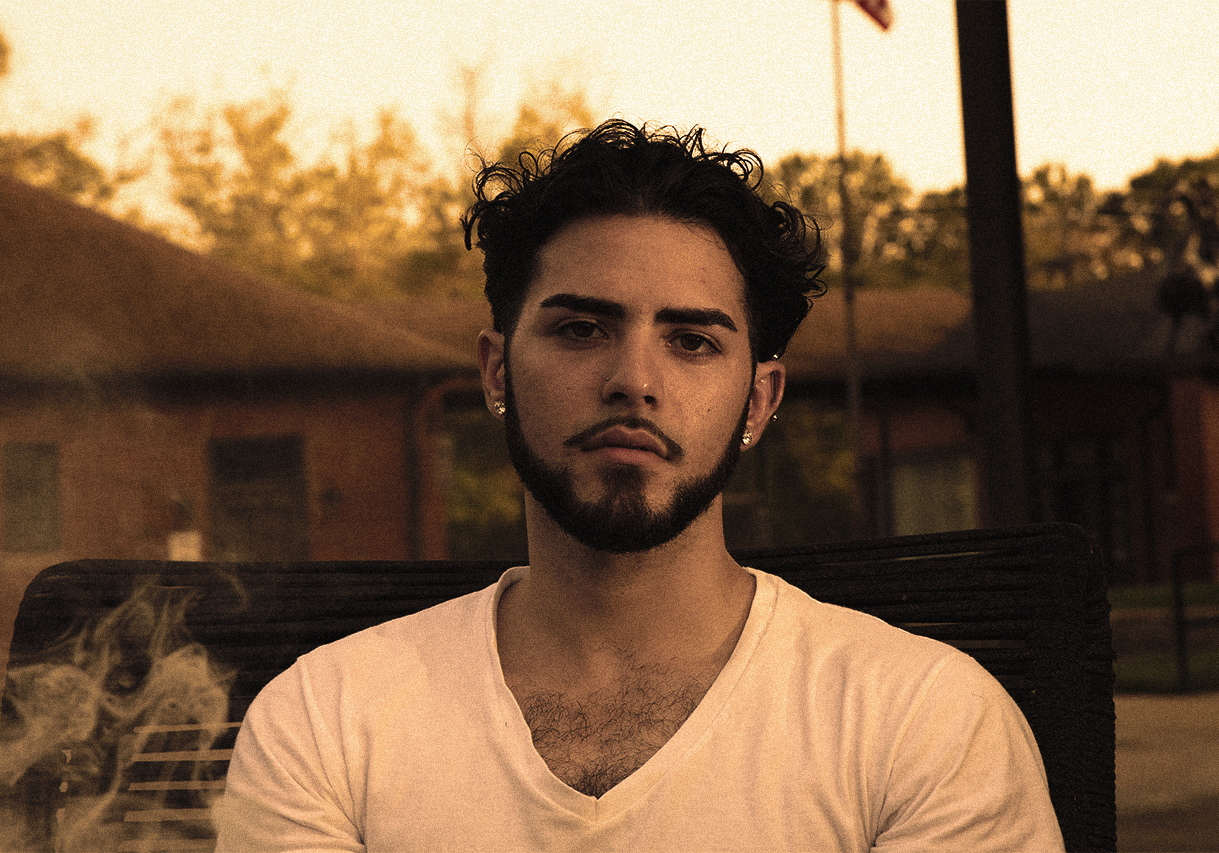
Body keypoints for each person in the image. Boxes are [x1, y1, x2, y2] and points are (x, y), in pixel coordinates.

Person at [214, 120, 1064, 851]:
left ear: (759, 400)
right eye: (582, 328)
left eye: (692, 341)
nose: (634, 379)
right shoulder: (325, 721)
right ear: (496, 368)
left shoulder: (923, 720)